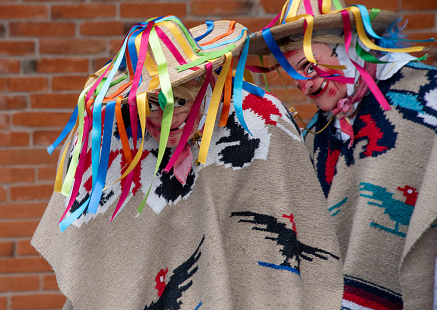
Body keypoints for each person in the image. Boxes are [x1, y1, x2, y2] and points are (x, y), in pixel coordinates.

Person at [32, 16, 343, 309]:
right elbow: (95, 257)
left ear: (201, 81)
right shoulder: (105, 145)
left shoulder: (260, 122)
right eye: (152, 103)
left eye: (180, 99)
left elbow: (298, 223)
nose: (169, 116)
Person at [248, 0, 437, 310]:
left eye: (309, 66)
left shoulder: (433, 96)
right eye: (294, 76)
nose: (306, 85)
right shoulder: (318, 134)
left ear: (347, 45)